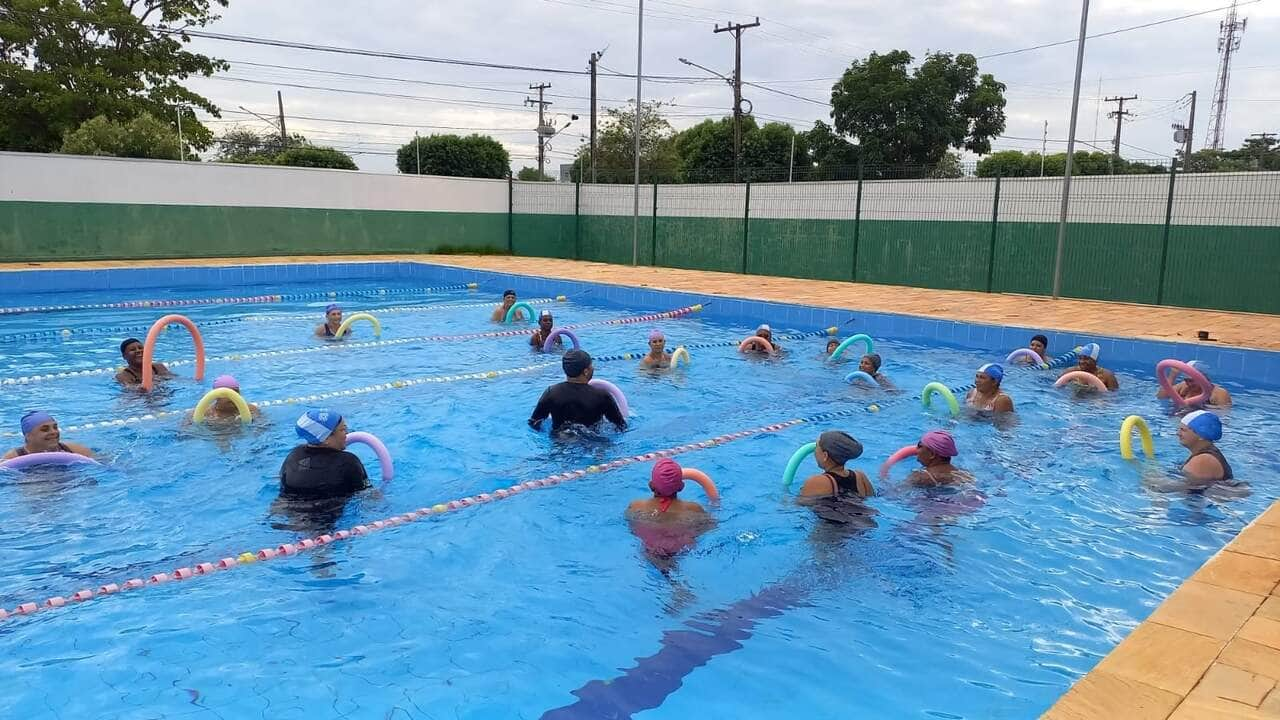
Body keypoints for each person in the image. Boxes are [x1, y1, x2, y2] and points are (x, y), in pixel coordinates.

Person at [528, 349, 626, 433]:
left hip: (560, 441)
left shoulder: (551, 392)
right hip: (593, 442)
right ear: (586, 371)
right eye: (591, 365)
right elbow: (621, 425)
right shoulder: (602, 395)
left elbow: (534, 422)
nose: (593, 368)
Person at [279, 410, 369, 498]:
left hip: (285, 508)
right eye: (342, 430)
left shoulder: (294, 455)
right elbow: (365, 494)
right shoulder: (348, 461)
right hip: (326, 511)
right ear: (325, 439)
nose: (347, 433)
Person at [798, 431, 875, 499]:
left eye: (817, 448)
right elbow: (872, 498)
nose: (814, 452)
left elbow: (798, 506)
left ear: (825, 456)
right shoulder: (861, 477)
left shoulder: (816, 481)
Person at [3, 411, 94, 460]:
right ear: (28, 436)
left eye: (55, 427)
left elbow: (101, 463)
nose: (53, 432)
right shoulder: (14, 457)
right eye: (45, 429)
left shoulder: (73, 449)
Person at [1178, 410, 1233, 483]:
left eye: (1183, 430)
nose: (1178, 433)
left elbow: (1185, 490)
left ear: (1201, 435)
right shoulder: (1205, 454)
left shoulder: (1203, 460)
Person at [1157, 360, 1232, 407]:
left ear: (1203, 378)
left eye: (1191, 380)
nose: (1188, 384)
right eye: (1186, 380)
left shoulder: (1218, 393)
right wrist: (1172, 375)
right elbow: (1161, 397)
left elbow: (1224, 417)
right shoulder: (1183, 387)